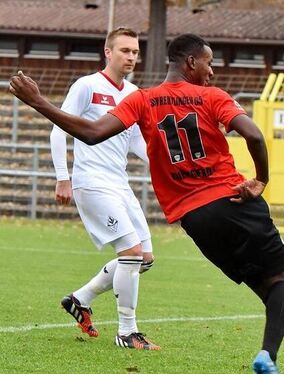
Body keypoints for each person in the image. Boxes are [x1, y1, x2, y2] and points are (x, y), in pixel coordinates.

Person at [9, 33, 284, 374]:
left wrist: (39, 102)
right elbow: (254, 135)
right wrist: (261, 179)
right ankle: (267, 354)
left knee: (271, 292)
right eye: (209, 63)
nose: (211, 72)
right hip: (232, 200)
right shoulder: (211, 96)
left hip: (195, 220)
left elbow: (92, 133)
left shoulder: (141, 100)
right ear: (191, 62)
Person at [49, 27, 158, 350]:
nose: (131, 57)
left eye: (135, 52)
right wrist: (62, 176)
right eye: (125, 51)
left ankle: (79, 299)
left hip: (119, 184)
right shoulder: (87, 86)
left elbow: (138, 141)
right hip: (92, 182)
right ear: (107, 52)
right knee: (131, 254)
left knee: (146, 258)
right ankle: (127, 331)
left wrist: (164, 168)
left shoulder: (136, 93)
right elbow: (58, 130)